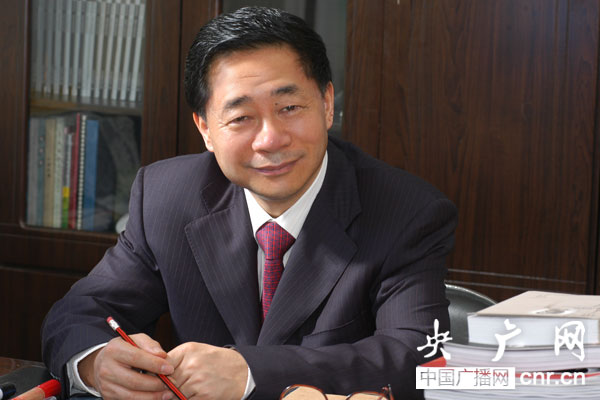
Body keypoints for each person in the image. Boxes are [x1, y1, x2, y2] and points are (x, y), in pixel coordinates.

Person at [42, 6, 457, 400]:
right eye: (241, 118)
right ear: (205, 129)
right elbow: (81, 311)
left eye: (289, 107)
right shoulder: (166, 196)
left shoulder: (407, 212)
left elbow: (419, 356)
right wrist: (96, 360)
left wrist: (250, 372)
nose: (270, 139)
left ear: (327, 105)